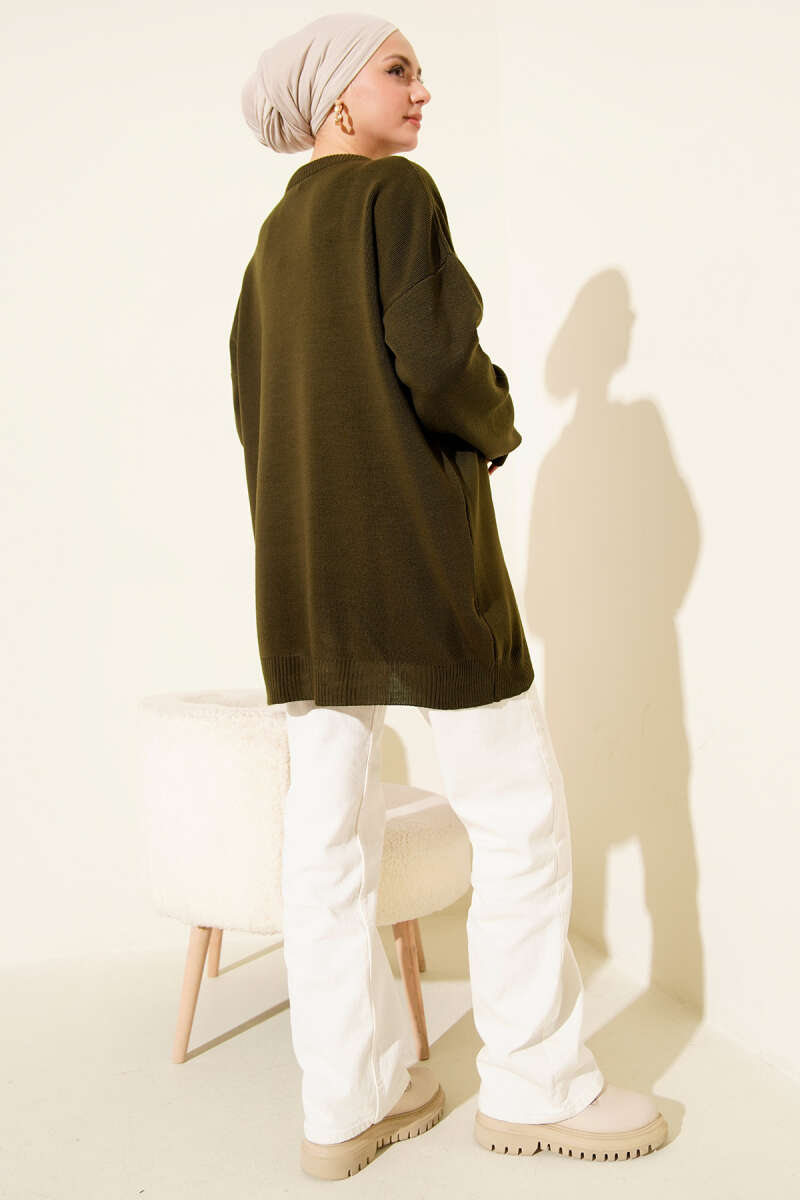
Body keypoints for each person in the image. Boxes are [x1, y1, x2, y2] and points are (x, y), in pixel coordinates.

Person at [232, 12, 669, 1181]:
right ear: (336, 98)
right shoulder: (397, 195)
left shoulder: (272, 240)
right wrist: (497, 418)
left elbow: (254, 414)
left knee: (326, 842)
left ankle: (350, 1099)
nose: (422, 90)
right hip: (418, 564)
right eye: (398, 70)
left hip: (305, 577)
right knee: (515, 817)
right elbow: (437, 363)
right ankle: (535, 1084)